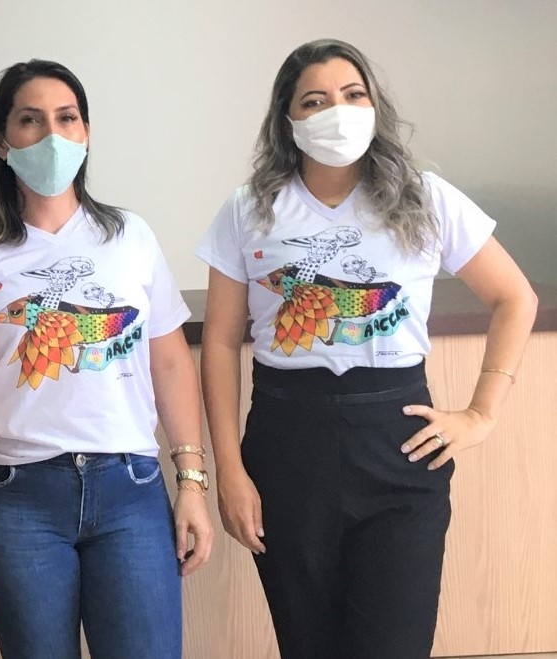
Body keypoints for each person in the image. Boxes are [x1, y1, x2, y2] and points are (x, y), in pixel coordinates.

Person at [196, 39, 538, 659]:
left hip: (398, 443)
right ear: (287, 118)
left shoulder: (424, 196)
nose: (337, 111)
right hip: (287, 443)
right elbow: (219, 342)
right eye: (315, 100)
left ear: (375, 107)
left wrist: (481, 414)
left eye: (353, 96)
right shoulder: (249, 209)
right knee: (309, 644)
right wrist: (230, 471)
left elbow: (515, 297)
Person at [0, 59, 213, 659]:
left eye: (66, 119)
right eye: (30, 121)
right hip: (16, 495)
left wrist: (192, 481)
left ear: (86, 133)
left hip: (130, 489)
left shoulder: (129, 236)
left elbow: (170, 363)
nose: (52, 135)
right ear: (1, 141)